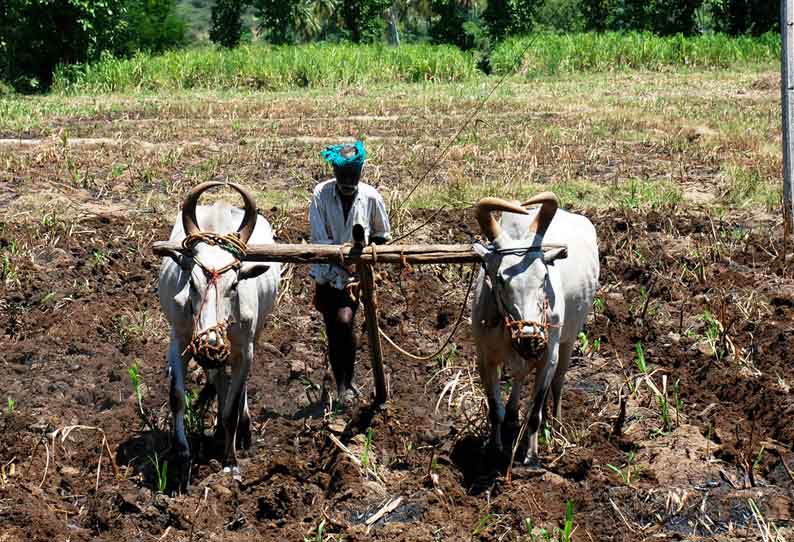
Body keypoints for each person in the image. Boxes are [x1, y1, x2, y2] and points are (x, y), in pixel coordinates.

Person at [309, 141, 390, 404]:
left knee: (345, 321)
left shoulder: (371, 197)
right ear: (334, 171)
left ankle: (346, 382)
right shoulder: (321, 194)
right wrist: (344, 258)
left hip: (356, 278)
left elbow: (382, 236)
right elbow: (319, 238)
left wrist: (364, 257)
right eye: (342, 174)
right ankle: (341, 383)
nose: (347, 180)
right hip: (326, 272)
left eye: (352, 175)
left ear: (361, 172)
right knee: (333, 328)